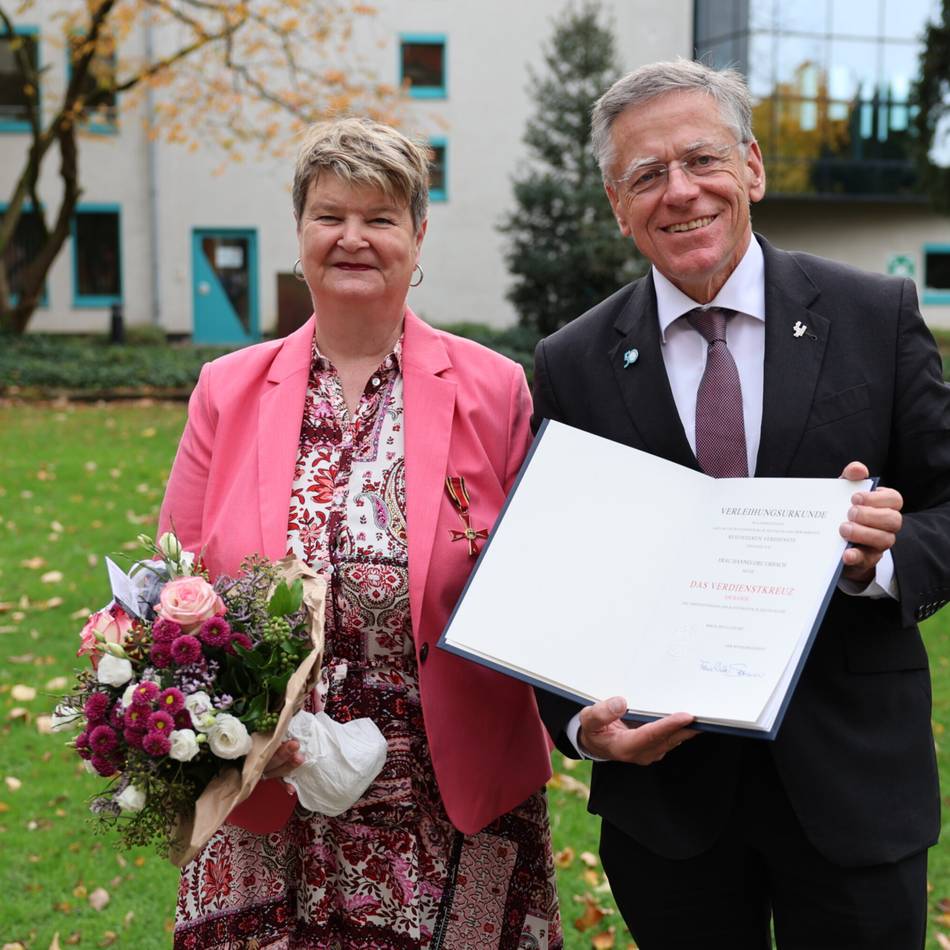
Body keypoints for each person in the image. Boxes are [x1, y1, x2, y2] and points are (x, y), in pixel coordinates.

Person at [532, 59, 950, 949]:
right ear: (618, 205)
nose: (681, 191)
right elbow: (548, 568)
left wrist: (884, 559)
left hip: (853, 787)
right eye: (648, 174)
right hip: (667, 807)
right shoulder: (572, 362)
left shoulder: (874, 315)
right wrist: (581, 728)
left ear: (752, 167)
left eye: (702, 159)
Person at [161, 117, 562, 949]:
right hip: (266, 792)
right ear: (299, 233)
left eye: (379, 218)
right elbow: (174, 597)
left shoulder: (494, 388)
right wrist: (237, 733)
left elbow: (539, 585)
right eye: (330, 215)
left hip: (449, 796)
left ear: (418, 238)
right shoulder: (226, 390)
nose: (353, 238)